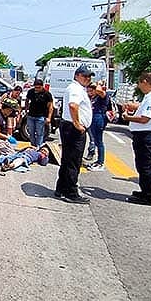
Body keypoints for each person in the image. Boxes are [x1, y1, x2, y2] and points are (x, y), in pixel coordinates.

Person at [122, 72, 151, 206]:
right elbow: (145, 110)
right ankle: (145, 191)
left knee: (145, 166)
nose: (138, 86)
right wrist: (135, 106)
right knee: (142, 165)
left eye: (139, 83)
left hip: (148, 135)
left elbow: (145, 119)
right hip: (145, 134)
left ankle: (149, 196)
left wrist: (127, 117)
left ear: (145, 81)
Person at [55, 65, 93, 204]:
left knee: (67, 160)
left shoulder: (77, 88)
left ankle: (61, 188)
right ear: (77, 76)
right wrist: (77, 124)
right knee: (73, 161)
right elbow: (73, 105)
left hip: (70, 127)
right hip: (73, 128)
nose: (87, 79)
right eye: (85, 76)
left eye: (89, 76)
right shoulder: (75, 88)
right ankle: (70, 192)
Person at [85, 81, 111, 172]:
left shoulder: (102, 96)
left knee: (99, 142)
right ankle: (98, 161)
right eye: (88, 91)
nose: (89, 93)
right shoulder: (92, 98)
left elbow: (100, 91)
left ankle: (101, 163)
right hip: (93, 118)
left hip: (99, 118)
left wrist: (98, 84)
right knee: (95, 141)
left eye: (91, 91)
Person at [25, 78, 53, 148]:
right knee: (31, 133)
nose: (37, 89)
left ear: (42, 86)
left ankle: (38, 147)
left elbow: (50, 106)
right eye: (35, 87)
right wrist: (26, 110)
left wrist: (49, 117)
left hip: (41, 117)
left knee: (39, 133)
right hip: (31, 115)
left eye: (38, 87)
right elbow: (27, 100)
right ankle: (33, 146)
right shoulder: (31, 92)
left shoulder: (47, 94)